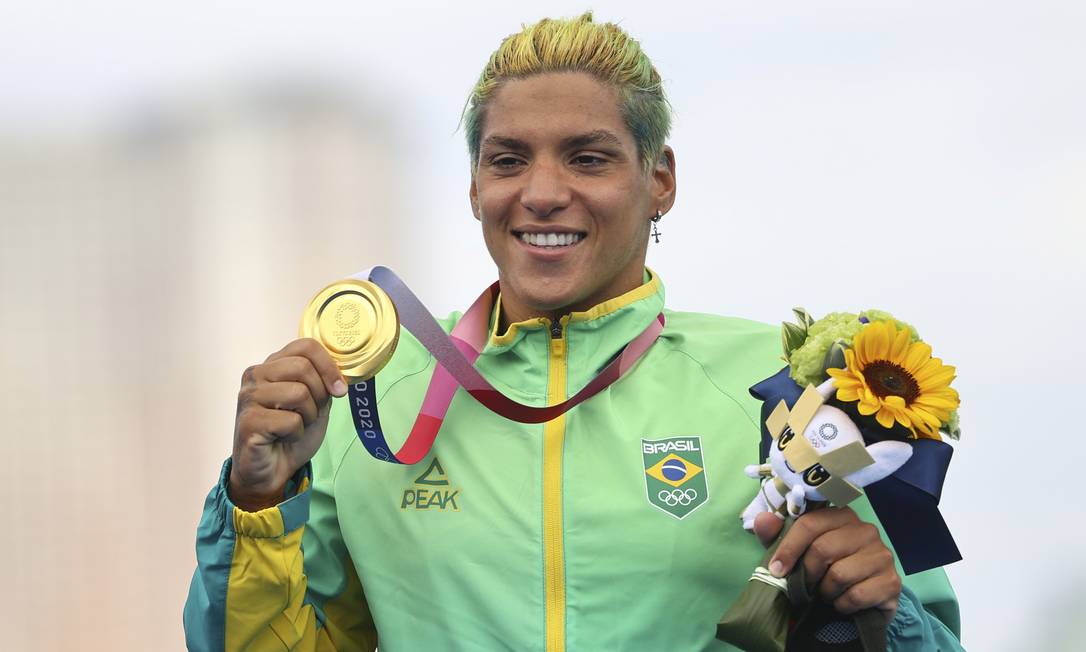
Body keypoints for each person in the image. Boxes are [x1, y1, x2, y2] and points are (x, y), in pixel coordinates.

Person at [184, 12, 964, 651]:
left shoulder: (785, 386)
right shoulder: (369, 404)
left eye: (588, 159)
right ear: (475, 186)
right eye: (509, 160)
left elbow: (929, 638)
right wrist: (258, 501)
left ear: (659, 179)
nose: (543, 193)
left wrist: (883, 613)